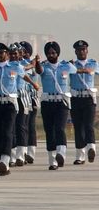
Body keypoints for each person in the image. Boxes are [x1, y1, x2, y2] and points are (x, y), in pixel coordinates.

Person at [0, 43, 39, 176]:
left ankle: (5, 160)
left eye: (1, 52)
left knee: (8, 131)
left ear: (6, 54)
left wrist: (33, 84)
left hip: (10, 104)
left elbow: (24, 75)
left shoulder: (15, 66)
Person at [36, 41, 75, 170]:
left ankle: (61, 154)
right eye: (49, 53)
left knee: (60, 128)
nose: (51, 55)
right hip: (47, 102)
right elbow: (38, 70)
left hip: (61, 103)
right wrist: (36, 62)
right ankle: (52, 160)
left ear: (58, 53)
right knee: (49, 131)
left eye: (53, 52)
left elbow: (76, 71)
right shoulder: (43, 66)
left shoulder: (65, 66)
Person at [68, 40, 97, 164]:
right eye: (79, 50)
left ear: (87, 50)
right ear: (75, 51)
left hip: (89, 98)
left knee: (88, 125)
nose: (81, 52)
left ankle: (91, 148)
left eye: (83, 49)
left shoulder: (93, 64)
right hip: (76, 98)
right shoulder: (71, 65)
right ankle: (80, 155)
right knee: (78, 126)